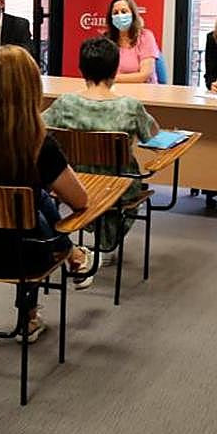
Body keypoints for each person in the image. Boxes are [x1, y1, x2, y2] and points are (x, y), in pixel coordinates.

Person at [0, 45, 94, 342]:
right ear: (32, 87)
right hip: (24, 258)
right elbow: (80, 200)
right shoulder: (38, 141)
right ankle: (30, 313)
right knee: (32, 204)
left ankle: (68, 251)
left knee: (31, 201)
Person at [42, 37, 160, 280]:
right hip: (121, 187)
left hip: (76, 184)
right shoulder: (130, 106)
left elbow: (38, 127)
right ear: (115, 69)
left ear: (81, 69)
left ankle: (98, 246)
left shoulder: (66, 104)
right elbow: (152, 135)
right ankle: (106, 244)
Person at [105, 0, 161, 84]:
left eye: (124, 11)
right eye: (115, 13)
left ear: (133, 14)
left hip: (144, 92)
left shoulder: (145, 36)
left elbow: (144, 75)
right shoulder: (107, 40)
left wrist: (113, 78)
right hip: (116, 92)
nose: (120, 16)